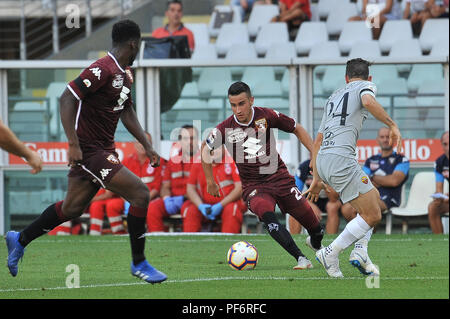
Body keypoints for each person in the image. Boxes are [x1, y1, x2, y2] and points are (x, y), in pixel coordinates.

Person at [5, 20, 168, 284]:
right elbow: (67, 97)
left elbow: (126, 110)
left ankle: (20, 239)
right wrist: (73, 143)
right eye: (139, 46)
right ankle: (139, 263)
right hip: (90, 150)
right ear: (133, 43)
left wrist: (147, 145)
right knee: (140, 193)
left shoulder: (125, 73)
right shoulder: (102, 68)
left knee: (72, 208)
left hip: (101, 149)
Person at [202, 81, 324, 270]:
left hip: (280, 178)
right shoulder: (225, 128)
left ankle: (315, 241)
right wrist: (210, 181)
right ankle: (300, 258)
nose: (238, 110)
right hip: (254, 186)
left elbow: (297, 128)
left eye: (241, 103)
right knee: (269, 217)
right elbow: (205, 149)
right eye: (233, 105)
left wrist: (314, 156)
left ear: (251, 100)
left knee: (314, 226)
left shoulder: (266, 116)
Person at [305, 58, 402, 278]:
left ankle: (361, 251)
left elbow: (317, 142)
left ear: (346, 78)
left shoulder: (333, 97)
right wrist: (392, 124)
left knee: (373, 199)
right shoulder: (366, 86)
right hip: (341, 159)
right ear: (369, 78)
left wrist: (317, 179)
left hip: (325, 160)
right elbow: (367, 101)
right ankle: (331, 252)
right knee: (374, 213)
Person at [146, 125, 198, 232]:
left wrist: (183, 199)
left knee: (189, 210)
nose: (190, 142)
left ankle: (189, 244)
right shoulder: (172, 161)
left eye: (192, 138)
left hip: (192, 200)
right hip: (172, 200)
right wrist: (166, 199)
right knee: (152, 208)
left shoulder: (202, 161)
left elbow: (202, 189)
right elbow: (165, 186)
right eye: (185, 139)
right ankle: (159, 242)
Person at [185, 145, 246, 233]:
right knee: (190, 210)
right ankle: (189, 243)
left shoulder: (232, 160)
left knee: (232, 209)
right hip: (206, 205)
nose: (214, 151)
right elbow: (190, 188)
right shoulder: (199, 162)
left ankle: (227, 243)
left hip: (228, 203)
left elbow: (239, 188)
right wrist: (200, 206)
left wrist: (220, 205)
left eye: (217, 147)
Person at [289, 159, 345, 234]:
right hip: (311, 199)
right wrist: (308, 204)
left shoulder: (332, 166)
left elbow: (333, 198)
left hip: (331, 199)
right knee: (296, 207)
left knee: (332, 207)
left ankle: (331, 242)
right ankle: (294, 241)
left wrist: (322, 180)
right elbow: (295, 193)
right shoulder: (305, 167)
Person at [363, 127, 409, 213]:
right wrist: (383, 180)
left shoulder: (401, 159)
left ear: (394, 139)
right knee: (347, 209)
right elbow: (363, 181)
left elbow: (394, 181)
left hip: (390, 199)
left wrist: (372, 177)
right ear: (377, 140)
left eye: (388, 137)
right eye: (382, 137)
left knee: (369, 208)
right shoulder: (370, 160)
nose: (385, 140)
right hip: (370, 196)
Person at [122, 131, 166, 219]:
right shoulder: (126, 162)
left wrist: (141, 201)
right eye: (139, 141)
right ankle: (119, 232)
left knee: (152, 209)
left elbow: (157, 187)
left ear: (151, 144)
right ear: (134, 144)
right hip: (130, 200)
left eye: (146, 142)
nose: (142, 145)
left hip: (151, 199)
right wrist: (129, 200)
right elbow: (121, 187)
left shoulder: (158, 161)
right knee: (112, 206)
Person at [428, 131, 449, 233]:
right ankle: (439, 241)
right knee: (433, 207)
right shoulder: (440, 162)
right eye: (445, 144)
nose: (448, 148)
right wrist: (439, 197)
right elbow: (439, 189)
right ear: (441, 145)